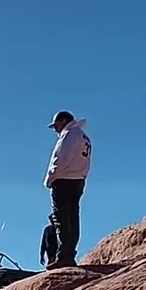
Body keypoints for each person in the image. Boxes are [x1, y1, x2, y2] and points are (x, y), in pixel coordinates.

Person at [43, 110, 91, 269]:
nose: (55, 129)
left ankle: (64, 256)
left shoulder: (69, 134)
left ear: (63, 121)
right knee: (72, 216)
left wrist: (50, 178)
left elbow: (61, 159)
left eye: (56, 125)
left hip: (63, 180)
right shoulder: (83, 137)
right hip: (78, 180)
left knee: (62, 218)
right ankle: (68, 253)